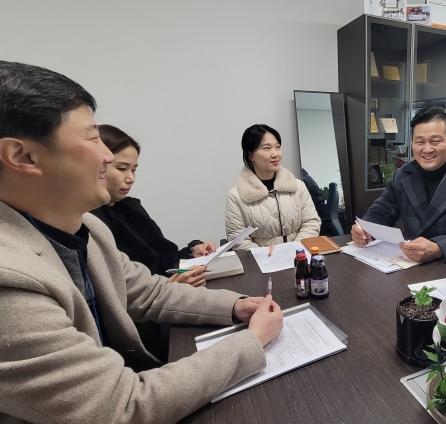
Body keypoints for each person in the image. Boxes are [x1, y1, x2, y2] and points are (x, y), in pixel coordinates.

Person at [0, 61, 283, 423]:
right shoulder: (10, 280)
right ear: (22, 156)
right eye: (92, 138)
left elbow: (149, 292)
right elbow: (121, 406)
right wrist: (251, 341)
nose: (106, 156)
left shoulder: (88, 229)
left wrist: (237, 305)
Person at [352, 106, 446, 263]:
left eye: (435, 141)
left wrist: (438, 248)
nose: (427, 149)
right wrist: (366, 229)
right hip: (409, 261)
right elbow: (382, 210)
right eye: (420, 142)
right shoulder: (402, 175)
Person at [90, 124, 215, 286]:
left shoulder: (131, 206)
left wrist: (192, 251)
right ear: (98, 166)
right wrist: (171, 285)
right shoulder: (91, 222)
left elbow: (163, 258)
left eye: (133, 170)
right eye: (122, 168)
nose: (130, 178)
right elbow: (120, 287)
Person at [225, 124, 321, 250]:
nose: (275, 154)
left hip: (300, 256)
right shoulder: (236, 196)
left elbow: (311, 222)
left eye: (278, 147)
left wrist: (296, 249)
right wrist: (268, 256)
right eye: (267, 148)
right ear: (250, 155)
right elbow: (238, 240)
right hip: (261, 260)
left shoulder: (298, 186)